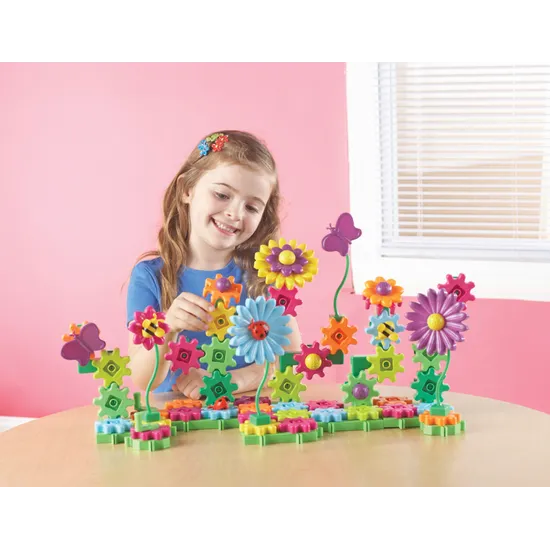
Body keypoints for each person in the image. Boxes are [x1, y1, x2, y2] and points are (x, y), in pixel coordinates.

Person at [126, 130, 302, 400]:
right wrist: (167, 326)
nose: (235, 213)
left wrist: (230, 380)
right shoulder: (150, 276)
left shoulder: (264, 277)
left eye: (251, 207)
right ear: (187, 190)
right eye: (222, 194)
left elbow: (291, 361)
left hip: (251, 416)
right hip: (175, 418)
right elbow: (142, 379)